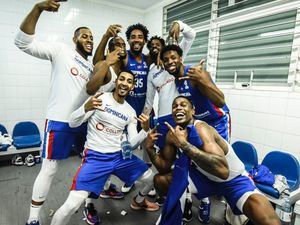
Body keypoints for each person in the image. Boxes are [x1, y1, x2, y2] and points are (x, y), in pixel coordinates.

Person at [14, 1, 98, 225]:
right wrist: (38, 8)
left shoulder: (92, 69)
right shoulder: (62, 50)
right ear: (75, 39)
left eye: (91, 37)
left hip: (84, 122)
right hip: (60, 121)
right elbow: (22, 43)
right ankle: (33, 218)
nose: (89, 40)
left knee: (90, 166)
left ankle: (88, 205)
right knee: (50, 169)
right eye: (84, 36)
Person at [146, 96, 281, 225]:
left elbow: (223, 171)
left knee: (266, 218)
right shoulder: (172, 134)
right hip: (203, 176)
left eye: (183, 105)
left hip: (232, 179)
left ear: (193, 111)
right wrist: (150, 149)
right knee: (161, 180)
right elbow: (164, 167)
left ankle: (236, 210)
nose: (178, 108)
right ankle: (178, 213)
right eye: (174, 106)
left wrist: (184, 145)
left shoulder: (202, 129)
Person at [50, 70, 159, 225]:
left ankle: (139, 200)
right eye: (122, 79)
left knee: (152, 179)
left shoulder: (130, 111)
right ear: (116, 82)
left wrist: (145, 129)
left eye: (129, 81)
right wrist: (85, 108)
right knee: (71, 205)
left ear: (132, 87)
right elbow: (73, 123)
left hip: (120, 156)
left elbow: (133, 142)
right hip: (96, 157)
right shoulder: (100, 98)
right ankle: (89, 205)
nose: (124, 83)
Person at [160, 44, 231, 222]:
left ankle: (220, 200)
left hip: (217, 120)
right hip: (198, 122)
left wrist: (203, 80)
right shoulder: (177, 79)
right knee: (197, 160)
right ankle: (202, 197)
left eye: (173, 57)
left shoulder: (195, 72)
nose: (170, 61)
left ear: (181, 58)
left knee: (219, 162)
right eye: (166, 59)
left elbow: (220, 100)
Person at [142, 20, 196, 212]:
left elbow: (191, 35)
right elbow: (149, 101)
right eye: (152, 47)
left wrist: (180, 25)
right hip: (164, 121)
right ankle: (170, 195)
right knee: (166, 164)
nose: (156, 48)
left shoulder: (173, 59)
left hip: (181, 117)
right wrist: (145, 120)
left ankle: (191, 200)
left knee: (188, 160)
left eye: (159, 45)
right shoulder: (152, 71)